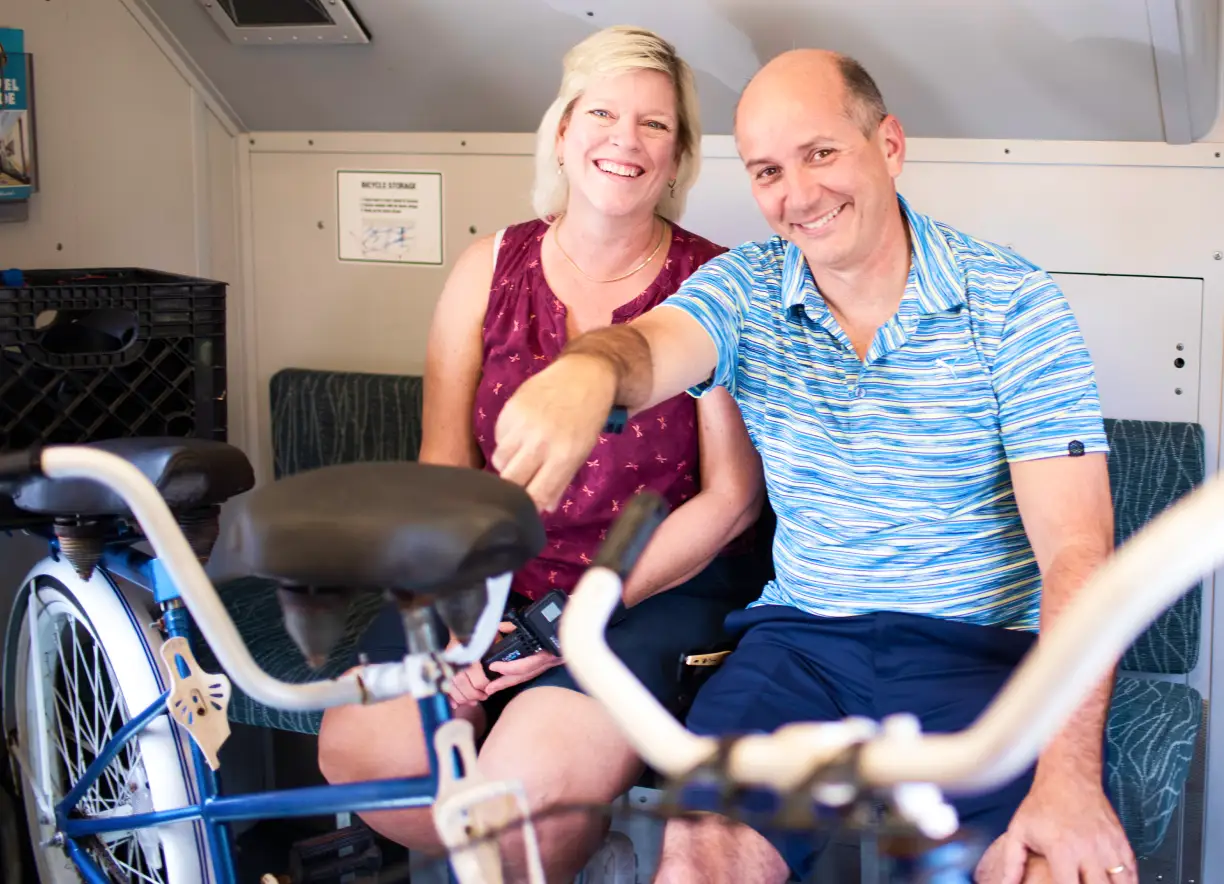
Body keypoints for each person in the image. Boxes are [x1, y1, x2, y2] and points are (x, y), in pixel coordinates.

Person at [490, 48, 1137, 884]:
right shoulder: (747, 290)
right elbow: (652, 346)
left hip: (982, 657)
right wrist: (590, 371)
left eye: (820, 153)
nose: (796, 195)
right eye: (766, 171)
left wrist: (1070, 778)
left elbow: (1079, 553)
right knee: (697, 856)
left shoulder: (1014, 302)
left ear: (889, 145)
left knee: (1050, 867)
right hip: (799, 650)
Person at [316, 25, 766, 883]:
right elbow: (445, 469)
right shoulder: (487, 267)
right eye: (601, 113)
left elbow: (731, 502)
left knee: (522, 805)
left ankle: (546, 844)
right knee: (359, 746)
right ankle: (576, 853)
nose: (625, 141)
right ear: (561, 132)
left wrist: (569, 619)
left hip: (651, 586)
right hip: (491, 574)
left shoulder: (716, 285)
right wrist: (444, 625)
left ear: (679, 159)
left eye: (656, 125)